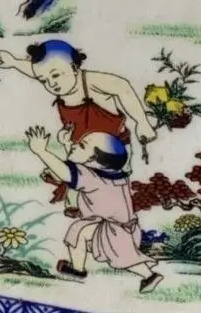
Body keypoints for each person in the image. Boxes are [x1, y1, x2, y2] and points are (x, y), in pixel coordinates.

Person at [0, 40, 157, 216]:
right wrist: (13, 62)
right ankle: (83, 211)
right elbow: (35, 71)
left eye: (56, 75)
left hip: (110, 151)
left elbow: (122, 87)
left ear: (74, 68)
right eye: (44, 80)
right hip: (79, 149)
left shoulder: (90, 82)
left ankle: (116, 215)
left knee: (111, 188)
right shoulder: (61, 85)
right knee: (78, 186)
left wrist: (142, 122)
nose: (51, 84)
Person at [24, 125, 163, 293]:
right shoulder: (116, 174)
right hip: (122, 227)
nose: (76, 144)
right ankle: (77, 269)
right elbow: (78, 165)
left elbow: (66, 172)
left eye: (82, 145)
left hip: (114, 232)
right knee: (78, 231)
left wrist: (41, 152)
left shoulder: (93, 178)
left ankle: (150, 276)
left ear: (94, 161)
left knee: (125, 259)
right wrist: (67, 144)